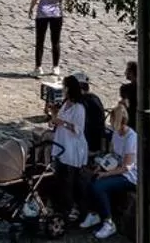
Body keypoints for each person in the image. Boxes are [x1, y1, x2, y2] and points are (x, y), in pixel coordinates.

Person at [81, 99, 137, 237]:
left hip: (130, 176)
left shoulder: (131, 138)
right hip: (117, 168)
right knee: (89, 178)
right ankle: (94, 213)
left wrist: (106, 175)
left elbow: (127, 167)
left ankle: (108, 222)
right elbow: (112, 154)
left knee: (99, 186)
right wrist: (101, 167)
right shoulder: (116, 134)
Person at [50, 73, 89, 216]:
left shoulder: (79, 108)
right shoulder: (65, 104)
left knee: (69, 181)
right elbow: (57, 120)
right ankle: (61, 206)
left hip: (72, 148)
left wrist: (63, 123)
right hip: (61, 144)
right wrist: (54, 113)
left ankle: (72, 208)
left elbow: (78, 129)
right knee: (60, 180)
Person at [31, 0, 70, 78]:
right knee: (56, 41)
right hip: (56, 14)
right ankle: (56, 67)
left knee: (40, 41)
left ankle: (38, 67)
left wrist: (31, 8)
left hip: (42, 14)